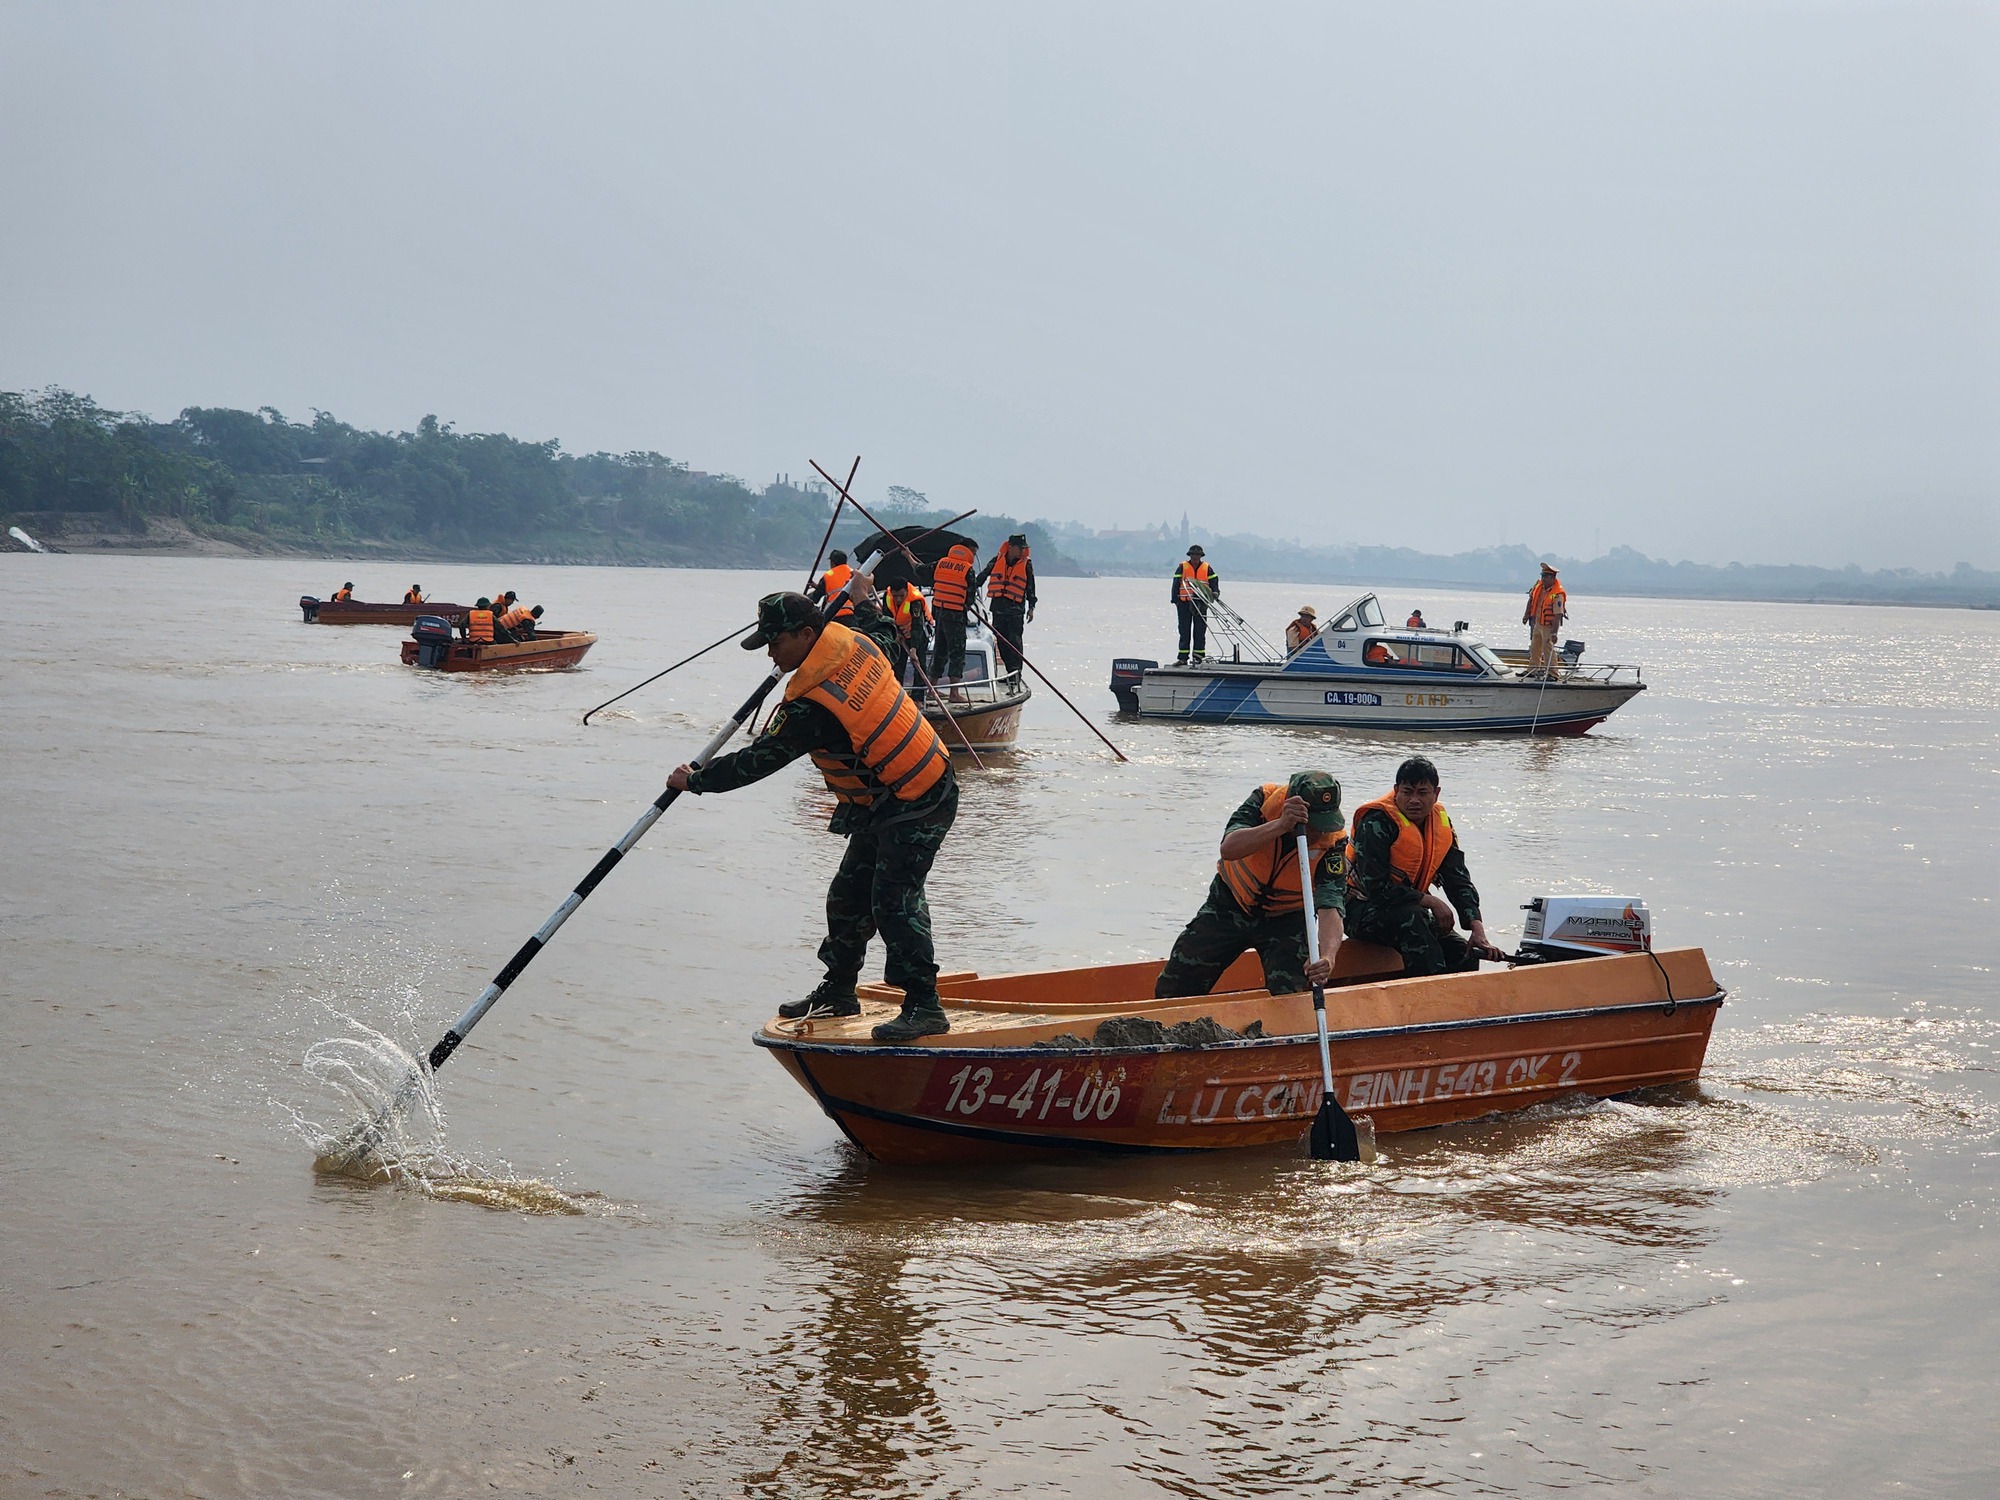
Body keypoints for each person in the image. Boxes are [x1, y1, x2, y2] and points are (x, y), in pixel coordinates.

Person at [668, 592, 958, 1041]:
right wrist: (865, 603)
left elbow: (759, 761)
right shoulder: (860, 641)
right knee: (847, 895)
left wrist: (697, 779)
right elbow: (887, 633)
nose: (770, 653)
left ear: (807, 634)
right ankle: (839, 992)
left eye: (776, 642)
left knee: (894, 900)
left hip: (922, 795)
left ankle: (925, 1005)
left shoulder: (812, 707)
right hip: (882, 800)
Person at [1155, 772, 1348, 999]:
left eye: (1325, 824)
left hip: (1286, 918)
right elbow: (1229, 848)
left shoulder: (1333, 841)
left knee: (1291, 994)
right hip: (1230, 905)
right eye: (1314, 825)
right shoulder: (1261, 801)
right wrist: (1281, 826)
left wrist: (1328, 956)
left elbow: (1331, 904)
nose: (1320, 832)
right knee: (1176, 983)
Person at [1343, 756, 1500, 978]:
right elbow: (1376, 888)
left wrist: (1476, 926)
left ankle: (1461, 1003)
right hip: (1360, 910)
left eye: (1422, 793)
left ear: (1436, 794)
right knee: (1416, 924)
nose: (1414, 800)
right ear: (1396, 791)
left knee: (1462, 952)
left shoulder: (1440, 824)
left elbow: (1458, 879)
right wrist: (1430, 901)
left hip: (1410, 908)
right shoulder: (1376, 822)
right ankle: (1429, 999)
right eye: (1407, 792)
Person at [974, 533, 1037, 685]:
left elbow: (1030, 587)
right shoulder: (998, 559)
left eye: (1024, 548)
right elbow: (983, 575)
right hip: (998, 608)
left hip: (1015, 610)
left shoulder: (1026, 564)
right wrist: (971, 587)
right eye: (1019, 548)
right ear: (1011, 547)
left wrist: (1031, 607)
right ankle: (1009, 671)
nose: (1022, 551)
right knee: (1001, 641)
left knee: (1014, 641)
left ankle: (1016, 673)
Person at [927, 539, 978, 697]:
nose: (974, 557)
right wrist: (967, 605)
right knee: (957, 653)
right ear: (968, 550)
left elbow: (920, 569)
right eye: (973, 553)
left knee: (939, 650)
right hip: (955, 615)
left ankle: (931, 689)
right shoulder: (967, 569)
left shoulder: (941, 563)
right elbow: (971, 595)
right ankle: (954, 693)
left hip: (939, 613)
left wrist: (908, 557)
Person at [1171, 546, 1216, 664]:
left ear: (1201, 556)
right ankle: (1182, 658)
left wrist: (1215, 592)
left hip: (1200, 603)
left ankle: (1198, 657)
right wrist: (1175, 600)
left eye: (1197, 555)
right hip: (1184, 603)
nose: (1195, 557)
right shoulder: (1182, 567)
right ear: (1189, 555)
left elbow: (1214, 581)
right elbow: (1176, 583)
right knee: (1184, 631)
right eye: (1193, 555)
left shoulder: (1207, 568)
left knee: (1200, 631)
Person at [883, 577, 933, 683]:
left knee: (919, 664)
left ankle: (918, 697)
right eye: (895, 596)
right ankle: (897, 691)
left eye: (901, 595)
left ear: (906, 591)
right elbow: (886, 617)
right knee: (897, 664)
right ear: (891, 592)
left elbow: (917, 625)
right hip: (900, 632)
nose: (898, 599)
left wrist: (914, 648)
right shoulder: (887, 596)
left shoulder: (915, 601)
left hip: (918, 633)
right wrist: (895, 633)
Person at [1523, 563, 1567, 676]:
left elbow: (1558, 615)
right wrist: (1526, 615)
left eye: (1546, 577)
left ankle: (1553, 673)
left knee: (1547, 648)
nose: (1543, 579)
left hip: (1549, 625)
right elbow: (1531, 600)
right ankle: (1532, 669)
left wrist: (1554, 633)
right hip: (1538, 622)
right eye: (1542, 576)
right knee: (1535, 647)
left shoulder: (1557, 594)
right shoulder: (1539, 587)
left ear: (1553, 578)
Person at [807, 550, 857, 621]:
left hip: (834, 616)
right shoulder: (854, 573)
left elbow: (815, 598)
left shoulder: (828, 576)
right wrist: (817, 587)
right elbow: (839, 589)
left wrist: (803, 598)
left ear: (832, 562)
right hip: (853, 615)